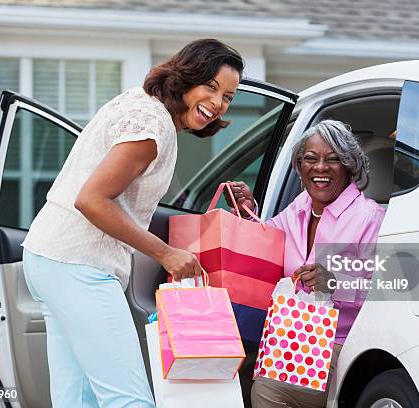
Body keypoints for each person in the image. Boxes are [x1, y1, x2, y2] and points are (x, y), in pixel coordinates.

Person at [21, 39, 243, 407]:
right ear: (186, 78)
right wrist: (165, 253)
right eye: (211, 87)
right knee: (129, 400)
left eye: (229, 97)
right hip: (78, 264)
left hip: (51, 257)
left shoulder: (143, 106)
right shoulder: (151, 127)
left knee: (77, 399)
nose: (218, 103)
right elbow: (91, 200)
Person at [226, 120, 385, 408]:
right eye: (310, 159)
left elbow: (388, 289)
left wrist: (333, 283)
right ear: (300, 168)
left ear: (349, 166)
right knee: (224, 367)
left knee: (267, 389)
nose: (320, 168)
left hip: (342, 345)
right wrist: (249, 210)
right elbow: (265, 242)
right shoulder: (300, 208)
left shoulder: (368, 217)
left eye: (333, 159)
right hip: (290, 337)